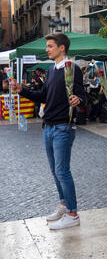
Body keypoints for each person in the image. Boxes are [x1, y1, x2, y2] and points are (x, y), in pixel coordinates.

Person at [10, 32, 86, 230]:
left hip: (63, 127)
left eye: (50, 46)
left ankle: (72, 213)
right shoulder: (51, 70)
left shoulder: (73, 69)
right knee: (55, 171)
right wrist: (22, 90)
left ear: (62, 48)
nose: (47, 49)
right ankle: (64, 204)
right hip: (48, 127)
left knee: (62, 171)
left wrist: (78, 99)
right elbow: (42, 95)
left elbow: (82, 95)